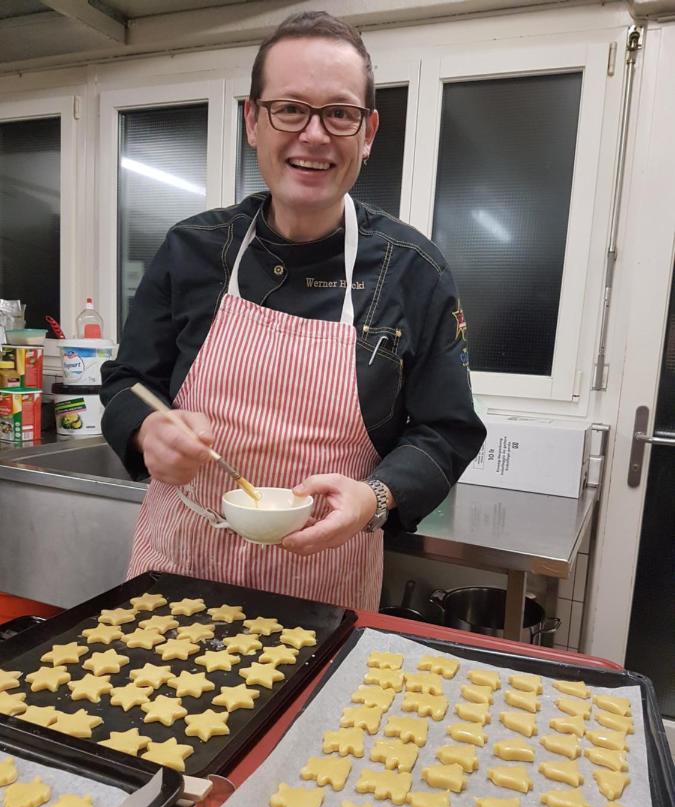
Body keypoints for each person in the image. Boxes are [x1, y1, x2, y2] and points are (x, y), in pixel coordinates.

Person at [101, 11, 486, 611]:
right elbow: (127, 383)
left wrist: (377, 497)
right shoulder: (191, 250)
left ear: (368, 131)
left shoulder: (415, 272)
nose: (314, 134)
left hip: (322, 594)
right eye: (289, 109)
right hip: (175, 579)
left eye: (339, 113)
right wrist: (147, 429)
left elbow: (447, 432)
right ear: (253, 120)